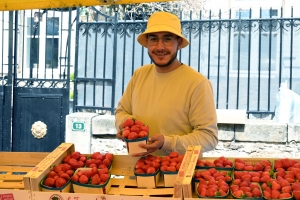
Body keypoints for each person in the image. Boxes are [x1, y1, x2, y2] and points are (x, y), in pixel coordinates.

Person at [115, 11, 218, 156]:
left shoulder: (197, 83)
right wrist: (128, 125)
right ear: (147, 43)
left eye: (167, 39)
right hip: (141, 170)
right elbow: (121, 111)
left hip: (179, 174)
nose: (160, 47)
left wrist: (167, 142)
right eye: (153, 39)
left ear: (179, 43)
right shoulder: (140, 75)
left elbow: (209, 137)